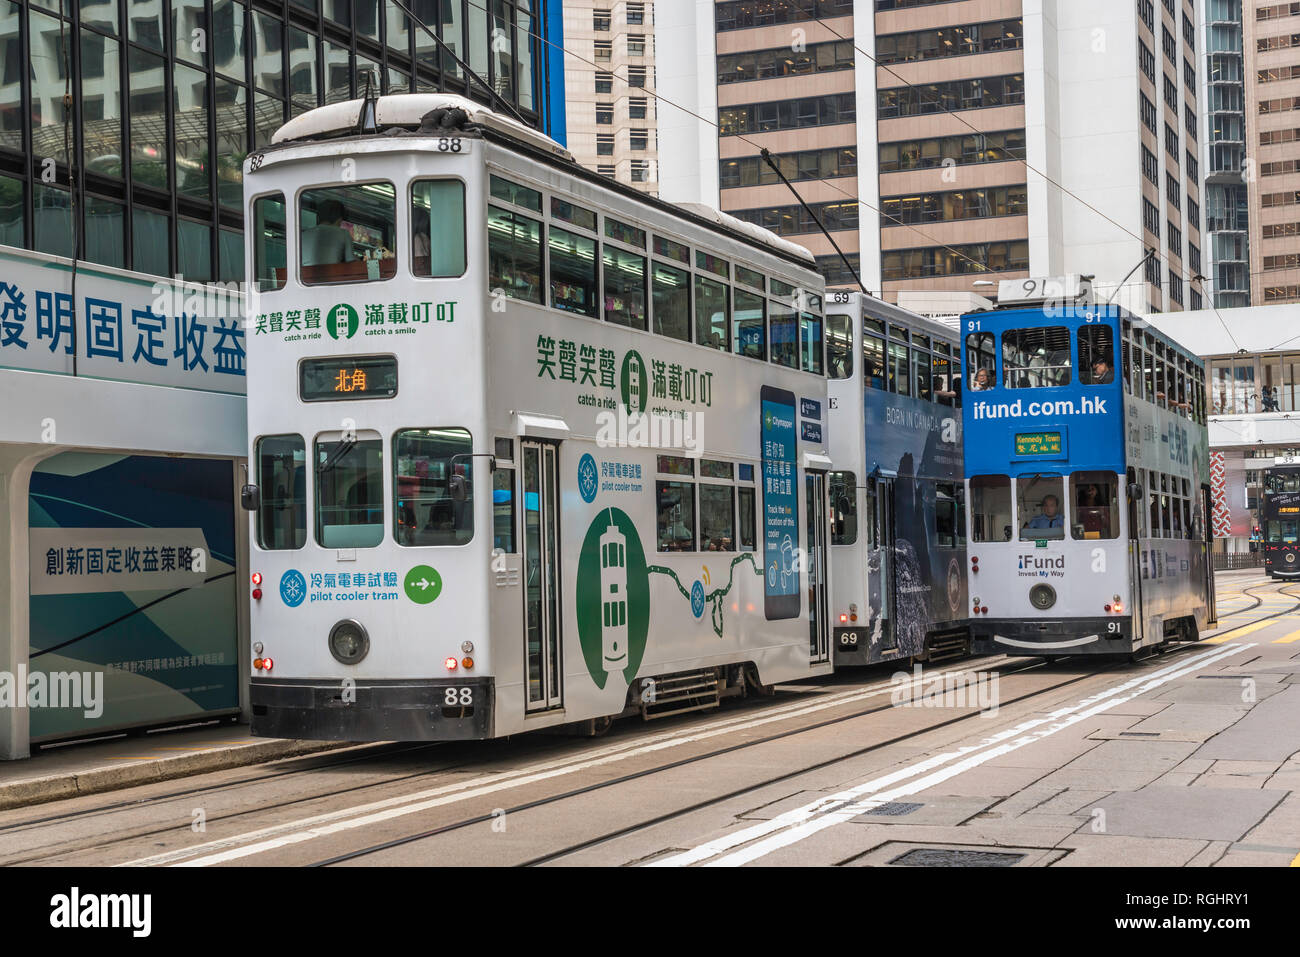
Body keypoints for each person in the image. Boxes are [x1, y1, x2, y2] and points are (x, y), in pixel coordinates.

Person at [301, 198, 355, 266]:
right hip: (331, 275)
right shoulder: (344, 233)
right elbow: (351, 263)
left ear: (318, 217)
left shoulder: (302, 235)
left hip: (305, 276)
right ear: (339, 219)